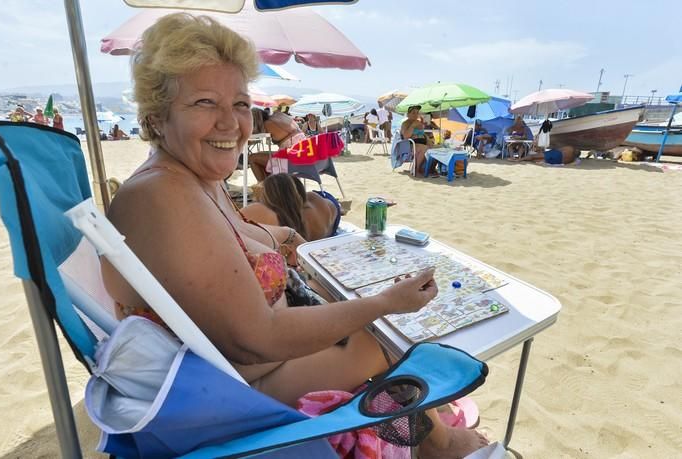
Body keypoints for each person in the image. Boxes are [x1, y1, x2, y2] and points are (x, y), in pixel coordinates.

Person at [101, 13, 487, 458]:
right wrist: (384, 303)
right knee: (391, 342)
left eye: (241, 104)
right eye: (205, 103)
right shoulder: (162, 196)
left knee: (375, 326)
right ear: (156, 116)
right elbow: (256, 338)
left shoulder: (190, 178)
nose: (231, 123)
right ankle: (441, 447)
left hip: (248, 370)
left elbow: (231, 234)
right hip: (235, 395)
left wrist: (281, 232)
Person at [241, 173, 340, 241]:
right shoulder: (315, 202)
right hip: (328, 214)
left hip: (324, 212)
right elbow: (333, 207)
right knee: (311, 196)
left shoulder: (269, 215)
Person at [400, 105, 430, 175]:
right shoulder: (405, 124)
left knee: (436, 149)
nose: (416, 115)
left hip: (421, 143)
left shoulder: (419, 123)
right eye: (413, 113)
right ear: (408, 114)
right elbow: (405, 136)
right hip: (410, 145)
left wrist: (428, 140)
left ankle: (430, 169)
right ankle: (416, 169)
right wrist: (413, 126)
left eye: (417, 113)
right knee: (424, 148)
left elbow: (423, 134)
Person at [512, 145, 580, 165]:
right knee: (536, 159)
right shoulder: (572, 159)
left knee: (534, 156)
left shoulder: (570, 148)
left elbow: (559, 149)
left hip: (557, 154)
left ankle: (519, 159)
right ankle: (526, 159)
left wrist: (551, 150)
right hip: (558, 161)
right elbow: (563, 163)